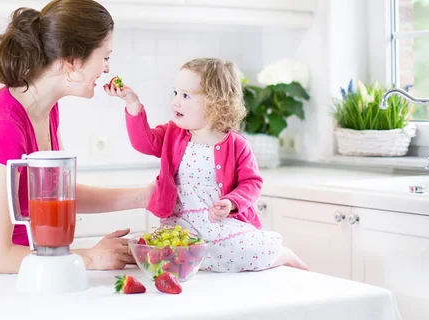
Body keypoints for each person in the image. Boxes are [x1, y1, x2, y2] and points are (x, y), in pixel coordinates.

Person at [0, 0, 153, 273]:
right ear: (72, 61)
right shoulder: (4, 127)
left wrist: (145, 197)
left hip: (30, 267)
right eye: (104, 57)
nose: (106, 68)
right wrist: (89, 257)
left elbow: (56, 193)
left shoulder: (45, 110)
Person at [105, 57, 308, 272]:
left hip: (217, 226)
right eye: (175, 93)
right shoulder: (172, 133)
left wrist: (230, 203)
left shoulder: (237, 145)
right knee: (159, 251)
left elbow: (252, 184)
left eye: (185, 95)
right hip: (180, 225)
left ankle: (283, 255)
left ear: (215, 102)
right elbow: (143, 143)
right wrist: (133, 105)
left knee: (240, 249)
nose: (176, 102)